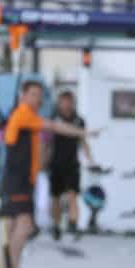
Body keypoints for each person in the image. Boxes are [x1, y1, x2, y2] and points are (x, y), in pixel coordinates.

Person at [0, 80, 89, 268]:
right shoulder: (23, 113)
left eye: (39, 95)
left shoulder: (27, 115)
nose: (37, 99)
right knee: (25, 225)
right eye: (32, 94)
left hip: (20, 178)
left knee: (13, 225)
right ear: (22, 96)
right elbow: (54, 126)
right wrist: (83, 132)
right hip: (18, 179)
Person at [46, 89, 93, 242]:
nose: (67, 105)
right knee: (55, 197)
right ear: (59, 103)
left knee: (73, 194)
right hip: (55, 163)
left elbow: (83, 141)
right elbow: (47, 143)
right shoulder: (53, 118)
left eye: (69, 101)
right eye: (64, 101)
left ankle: (73, 223)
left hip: (72, 163)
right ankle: (56, 224)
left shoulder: (79, 120)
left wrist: (90, 159)